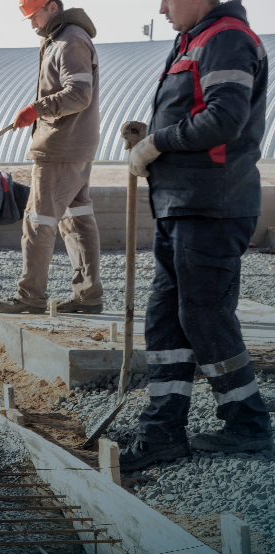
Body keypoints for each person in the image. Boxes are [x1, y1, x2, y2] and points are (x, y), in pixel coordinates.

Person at [117, 0, 271, 470]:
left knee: (203, 315)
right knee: (166, 317)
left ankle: (248, 423)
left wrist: (157, 142)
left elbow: (225, 119)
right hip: (180, 204)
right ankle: (162, 429)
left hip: (213, 205)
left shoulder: (225, 38)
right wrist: (153, 132)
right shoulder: (193, 40)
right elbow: (198, 111)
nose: (161, 7)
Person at [0, 0, 103, 315]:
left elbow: (80, 94)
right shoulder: (59, 39)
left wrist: (37, 109)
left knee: (38, 220)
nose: (32, 24)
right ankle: (88, 295)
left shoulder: (69, 41)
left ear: (51, 6)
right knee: (77, 220)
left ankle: (30, 297)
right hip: (73, 146)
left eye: (34, 15)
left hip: (61, 146)